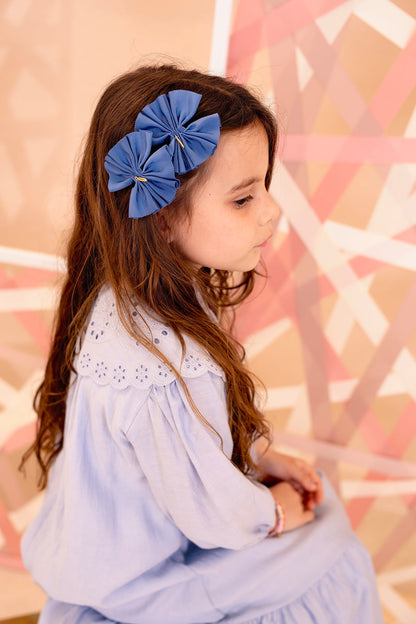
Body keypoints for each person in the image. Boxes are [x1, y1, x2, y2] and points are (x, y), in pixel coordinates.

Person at [21, 64, 383, 624]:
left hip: (111, 547)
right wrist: (274, 513)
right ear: (162, 217)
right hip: (145, 578)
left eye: (264, 187)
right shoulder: (164, 365)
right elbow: (212, 512)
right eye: (243, 199)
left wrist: (259, 456)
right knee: (332, 544)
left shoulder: (128, 296)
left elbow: (182, 451)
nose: (270, 211)